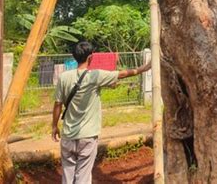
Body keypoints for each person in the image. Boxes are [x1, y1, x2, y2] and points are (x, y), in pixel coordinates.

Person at [51, 41, 150, 184]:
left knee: (67, 174)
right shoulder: (96, 76)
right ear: (90, 57)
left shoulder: (64, 77)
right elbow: (123, 74)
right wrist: (144, 68)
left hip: (68, 135)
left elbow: (57, 104)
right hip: (88, 136)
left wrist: (54, 126)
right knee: (83, 176)